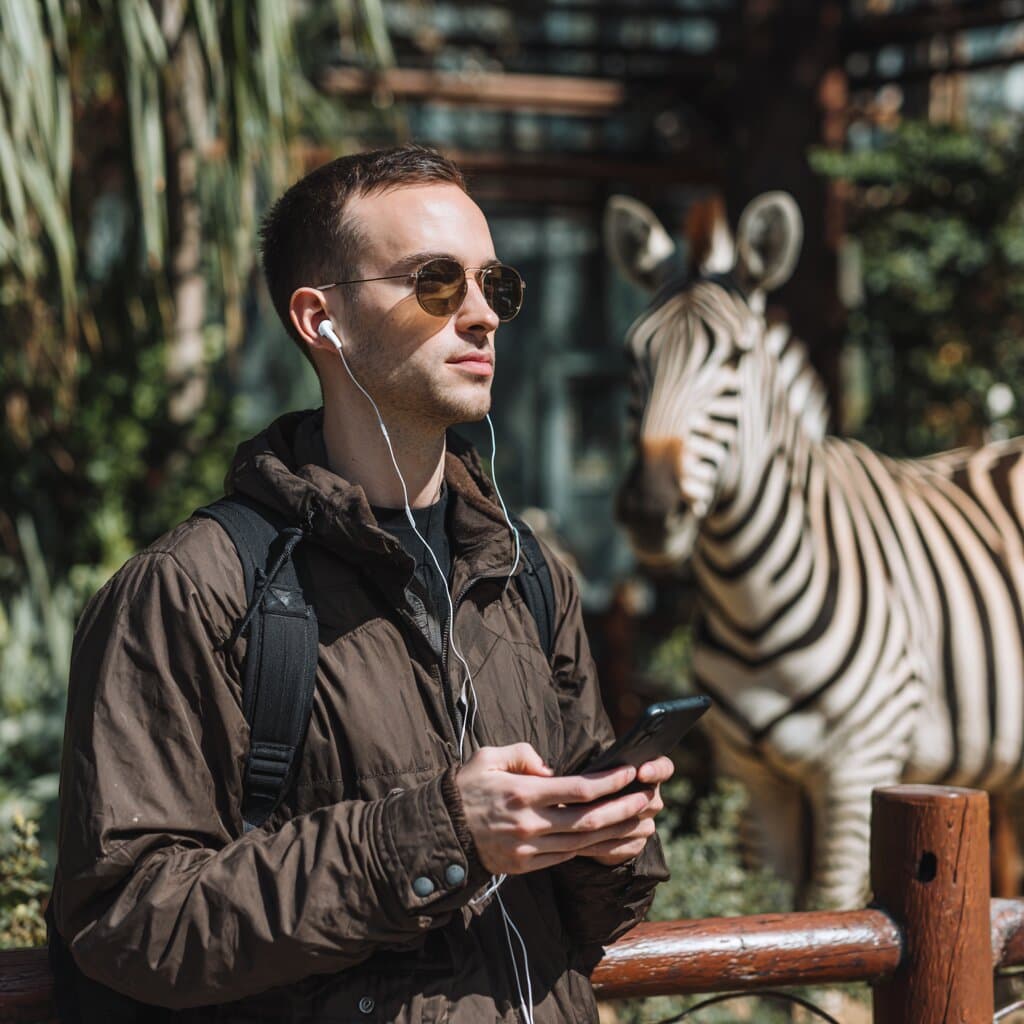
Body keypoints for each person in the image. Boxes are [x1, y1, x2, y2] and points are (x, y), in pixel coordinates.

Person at [48, 143, 672, 1023]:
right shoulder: (193, 591)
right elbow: (129, 921)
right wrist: (443, 833)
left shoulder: (527, 575)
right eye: (437, 282)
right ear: (320, 319)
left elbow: (583, 921)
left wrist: (609, 843)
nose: (485, 315)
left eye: (497, 285)